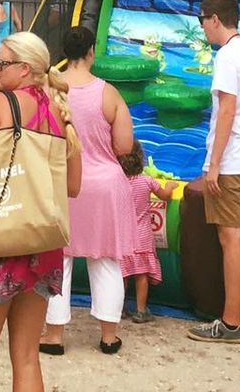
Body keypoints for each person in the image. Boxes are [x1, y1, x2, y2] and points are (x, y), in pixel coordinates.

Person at [0, 32, 80, 392]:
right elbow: (72, 186)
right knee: (26, 358)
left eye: (1, 63)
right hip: (41, 241)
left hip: (0, 238)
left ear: (25, 69)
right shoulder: (61, 111)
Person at [42, 25, 137, 355]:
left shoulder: (51, 91)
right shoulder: (108, 92)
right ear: (91, 52)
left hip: (62, 185)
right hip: (104, 187)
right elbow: (124, 146)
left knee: (58, 260)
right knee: (107, 261)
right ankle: (108, 336)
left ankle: (54, 337)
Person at [187, 0, 240, 344]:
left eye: (202, 21)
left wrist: (214, 164)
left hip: (233, 159)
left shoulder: (227, 57)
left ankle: (231, 321)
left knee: (231, 236)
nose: (203, 28)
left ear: (215, 20)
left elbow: (226, 111)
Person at [118, 146, 163, 323]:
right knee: (141, 275)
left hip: (123, 238)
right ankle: (141, 310)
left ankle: (119, 308)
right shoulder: (146, 181)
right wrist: (172, 186)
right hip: (142, 237)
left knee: (123, 275)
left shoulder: (119, 182)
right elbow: (165, 195)